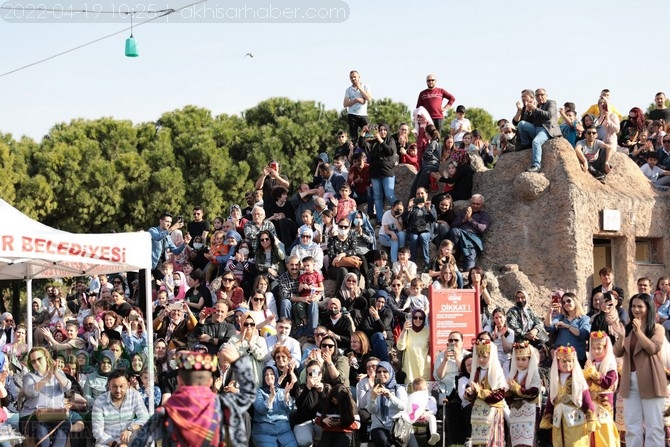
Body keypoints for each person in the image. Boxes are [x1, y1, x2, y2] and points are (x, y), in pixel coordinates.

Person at [132, 345, 255, 447]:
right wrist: (238, 362)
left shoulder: (167, 411)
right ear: (210, 382)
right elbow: (248, 396)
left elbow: (138, 443)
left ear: (179, 381)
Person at [611, 293, 668, 447]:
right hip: (630, 382)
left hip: (651, 381)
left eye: (640, 306)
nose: (636, 309)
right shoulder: (628, 329)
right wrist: (622, 336)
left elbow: (652, 348)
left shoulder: (657, 328)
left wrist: (639, 332)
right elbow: (617, 352)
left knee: (654, 427)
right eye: (634, 306)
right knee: (632, 427)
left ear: (648, 309)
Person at [539, 346, 596, 447]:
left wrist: (590, 418)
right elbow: (551, 400)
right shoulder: (555, 379)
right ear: (558, 363)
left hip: (575, 421)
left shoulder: (578, 378)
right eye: (563, 361)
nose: (567, 364)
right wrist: (547, 416)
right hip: (558, 421)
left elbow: (586, 399)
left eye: (570, 361)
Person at [20, 347, 72, 447]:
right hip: (34, 416)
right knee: (42, 437)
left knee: (64, 428)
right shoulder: (29, 376)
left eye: (39, 359)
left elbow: (67, 387)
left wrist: (55, 373)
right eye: (33, 361)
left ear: (46, 358)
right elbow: (31, 392)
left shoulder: (59, 373)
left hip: (56, 415)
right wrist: (47, 377)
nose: (37, 363)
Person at [463, 339, 507, 447]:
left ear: (491, 356)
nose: (481, 360)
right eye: (478, 356)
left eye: (484, 356)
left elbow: (499, 395)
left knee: (491, 443)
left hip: (492, 413)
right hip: (478, 413)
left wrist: (480, 391)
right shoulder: (477, 371)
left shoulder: (497, 371)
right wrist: (470, 392)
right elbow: (473, 392)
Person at [92, 369, 149, 447]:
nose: (118, 390)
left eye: (121, 386)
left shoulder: (134, 395)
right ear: (109, 385)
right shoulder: (99, 401)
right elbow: (97, 431)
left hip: (130, 439)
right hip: (108, 443)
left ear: (128, 385)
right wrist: (116, 445)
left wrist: (130, 429)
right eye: (114, 386)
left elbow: (145, 417)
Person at [582, 331, 620, 447]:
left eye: (599, 348)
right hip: (591, 403)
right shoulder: (591, 363)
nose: (596, 351)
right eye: (593, 348)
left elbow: (607, 383)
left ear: (606, 348)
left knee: (604, 428)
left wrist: (592, 372)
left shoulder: (610, 364)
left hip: (604, 404)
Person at [366, 361, 416, 447]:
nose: (381, 374)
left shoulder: (399, 389)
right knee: (383, 441)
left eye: (385, 371)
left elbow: (403, 407)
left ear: (391, 373)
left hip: (399, 425)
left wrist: (390, 396)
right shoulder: (372, 391)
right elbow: (372, 411)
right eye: (379, 372)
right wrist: (373, 398)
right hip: (380, 426)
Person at [512, 88, 562, 173]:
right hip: (535, 129)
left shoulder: (551, 103)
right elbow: (526, 121)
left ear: (546, 95)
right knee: (522, 124)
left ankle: (536, 165)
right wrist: (527, 112)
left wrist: (535, 109)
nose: (540, 97)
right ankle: (525, 144)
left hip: (546, 129)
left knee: (536, 142)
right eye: (537, 95)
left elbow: (549, 115)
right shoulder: (536, 105)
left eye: (542, 95)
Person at [252, 365, 298, 447]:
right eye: (266, 374)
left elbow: (290, 409)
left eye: (272, 374)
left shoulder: (282, 391)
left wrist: (286, 395)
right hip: (264, 432)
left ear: (276, 376)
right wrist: (271, 397)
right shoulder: (258, 392)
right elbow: (261, 409)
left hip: (284, 432)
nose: (269, 376)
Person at [505, 341, 541, 447]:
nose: (520, 362)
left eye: (523, 359)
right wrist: (507, 393)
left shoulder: (534, 374)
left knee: (527, 441)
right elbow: (510, 398)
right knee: (515, 440)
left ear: (530, 360)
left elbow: (533, 393)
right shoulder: (513, 375)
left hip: (530, 412)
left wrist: (515, 388)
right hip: (515, 412)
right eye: (517, 359)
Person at [545, 292, 591, 364]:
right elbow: (549, 327)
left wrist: (567, 326)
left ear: (575, 301)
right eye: (563, 302)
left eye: (568, 301)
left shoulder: (584, 318)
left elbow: (583, 334)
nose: (566, 303)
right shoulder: (561, 317)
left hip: (577, 358)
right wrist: (549, 312)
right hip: (560, 358)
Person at [363, 123, 397, 220]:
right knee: (377, 198)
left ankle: (399, 214)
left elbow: (390, 151)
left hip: (387, 172)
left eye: (384, 129)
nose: (382, 131)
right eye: (380, 130)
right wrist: (363, 134)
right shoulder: (373, 142)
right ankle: (380, 220)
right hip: (375, 173)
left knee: (389, 195)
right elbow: (362, 145)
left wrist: (381, 141)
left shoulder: (390, 140)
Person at [448, 194, 490, 271]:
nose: (475, 206)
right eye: (473, 203)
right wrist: (464, 219)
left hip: (472, 239)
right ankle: (452, 253)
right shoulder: (464, 213)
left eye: (478, 204)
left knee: (469, 267)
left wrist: (470, 220)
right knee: (455, 231)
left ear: (482, 205)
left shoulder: (484, 215)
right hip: (460, 235)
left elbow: (482, 228)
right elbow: (453, 225)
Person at [149, 212, 191, 279]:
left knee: (161, 287)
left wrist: (185, 243)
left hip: (160, 265)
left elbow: (175, 251)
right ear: (160, 221)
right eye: (167, 221)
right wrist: (172, 228)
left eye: (170, 222)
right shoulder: (153, 230)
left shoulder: (168, 236)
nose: (169, 224)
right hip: (149, 263)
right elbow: (157, 237)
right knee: (144, 287)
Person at [396, 309, 430, 389]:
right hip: (409, 369)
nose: (418, 320)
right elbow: (400, 347)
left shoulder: (428, 331)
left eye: (420, 318)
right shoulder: (408, 330)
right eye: (415, 317)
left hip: (424, 369)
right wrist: (404, 330)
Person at [409, 124, 442, 199]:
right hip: (426, 167)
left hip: (429, 167)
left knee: (420, 190)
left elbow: (427, 155)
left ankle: (417, 207)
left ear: (427, 133)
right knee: (415, 188)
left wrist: (424, 156)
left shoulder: (433, 142)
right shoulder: (437, 143)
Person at [343, 70, 371, 141]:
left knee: (367, 135)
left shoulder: (365, 86)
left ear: (359, 77)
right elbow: (345, 104)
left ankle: (367, 150)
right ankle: (355, 150)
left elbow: (368, 98)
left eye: (355, 77)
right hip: (352, 115)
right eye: (351, 77)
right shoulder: (348, 90)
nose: (353, 79)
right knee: (354, 137)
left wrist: (359, 87)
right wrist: (356, 100)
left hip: (363, 114)